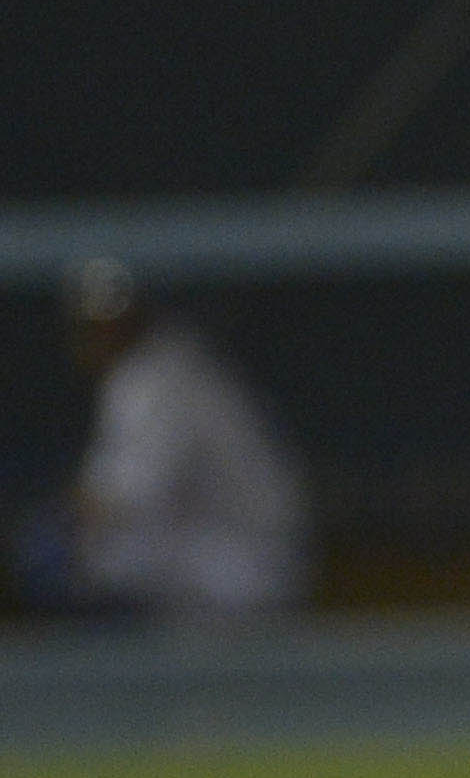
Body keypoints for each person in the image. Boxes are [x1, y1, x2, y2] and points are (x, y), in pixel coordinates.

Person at [25, 263, 310, 624]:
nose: (98, 334)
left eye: (105, 323)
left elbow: (125, 498)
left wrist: (56, 523)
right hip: (246, 559)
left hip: (237, 569)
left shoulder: (151, 380)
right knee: (84, 549)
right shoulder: (172, 361)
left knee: (80, 554)